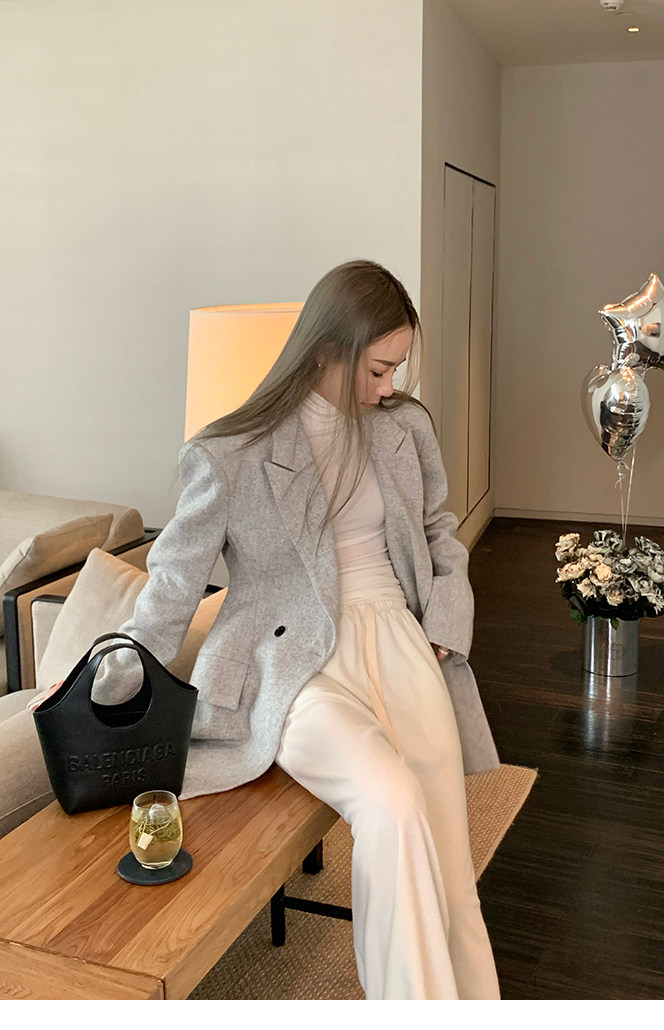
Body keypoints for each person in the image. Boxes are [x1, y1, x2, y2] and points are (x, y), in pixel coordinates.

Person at [2, 259, 501, 1000]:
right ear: (327, 350)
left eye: (396, 369)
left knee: (449, 855)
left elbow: (438, 532)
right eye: (377, 369)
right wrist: (102, 679)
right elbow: (172, 587)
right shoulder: (226, 453)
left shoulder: (406, 427)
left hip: (402, 641)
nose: (388, 387)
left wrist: (446, 625)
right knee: (391, 803)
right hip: (293, 669)